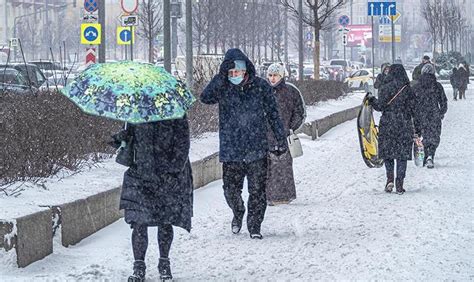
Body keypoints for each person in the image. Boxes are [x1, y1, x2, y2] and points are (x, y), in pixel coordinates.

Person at [201, 48, 287, 239]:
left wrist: (281, 138)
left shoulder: (261, 86)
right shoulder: (223, 86)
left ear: (246, 70)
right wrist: (220, 78)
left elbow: (273, 114)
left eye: (237, 72)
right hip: (232, 148)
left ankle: (254, 226)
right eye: (230, 73)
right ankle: (238, 211)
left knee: (257, 190)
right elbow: (205, 98)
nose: (234, 76)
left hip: (256, 147)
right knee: (230, 189)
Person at [118, 117, 193, 281]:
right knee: (138, 221)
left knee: (165, 220)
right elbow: (129, 141)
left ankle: (164, 263)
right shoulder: (136, 110)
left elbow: (183, 144)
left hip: (166, 175)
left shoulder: (175, 112)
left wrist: (173, 172)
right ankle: (138, 267)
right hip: (140, 173)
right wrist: (122, 138)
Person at [368, 64, 418, 194]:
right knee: (401, 155)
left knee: (388, 154)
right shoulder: (408, 89)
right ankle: (400, 183)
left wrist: (372, 100)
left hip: (388, 123)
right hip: (404, 124)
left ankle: (389, 179)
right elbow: (414, 109)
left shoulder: (385, 87)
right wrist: (417, 127)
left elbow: (380, 106)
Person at [265, 63, 306, 206]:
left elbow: (300, 112)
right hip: (267, 136)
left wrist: (291, 128)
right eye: (270, 75)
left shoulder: (291, 91)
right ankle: (270, 196)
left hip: (285, 136)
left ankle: (285, 195)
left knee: (285, 166)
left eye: (275, 75)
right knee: (269, 167)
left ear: (282, 76)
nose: (272, 78)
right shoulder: (263, 91)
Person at [412, 64, 448, 169]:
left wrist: (413, 114)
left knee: (421, 136)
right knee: (434, 136)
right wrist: (441, 112)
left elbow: (412, 103)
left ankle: (423, 154)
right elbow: (443, 101)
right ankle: (430, 155)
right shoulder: (437, 86)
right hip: (434, 115)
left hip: (420, 115)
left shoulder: (416, 86)